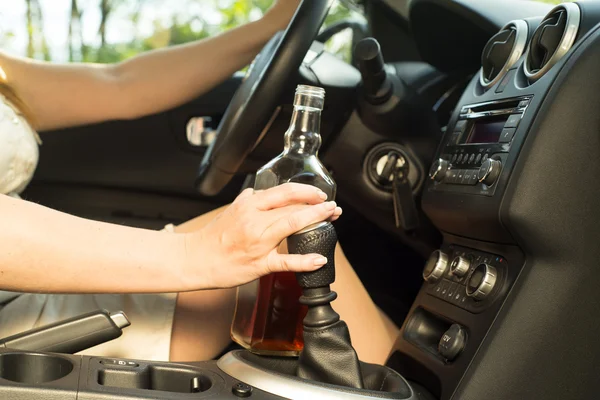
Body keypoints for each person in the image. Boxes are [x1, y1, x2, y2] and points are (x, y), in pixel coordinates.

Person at [0, 0, 399, 365]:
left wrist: (270, 26)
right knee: (293, 231)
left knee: (287, 223)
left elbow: (121, 83)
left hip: (31, 278)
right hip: (15, 323)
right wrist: (195, 254)